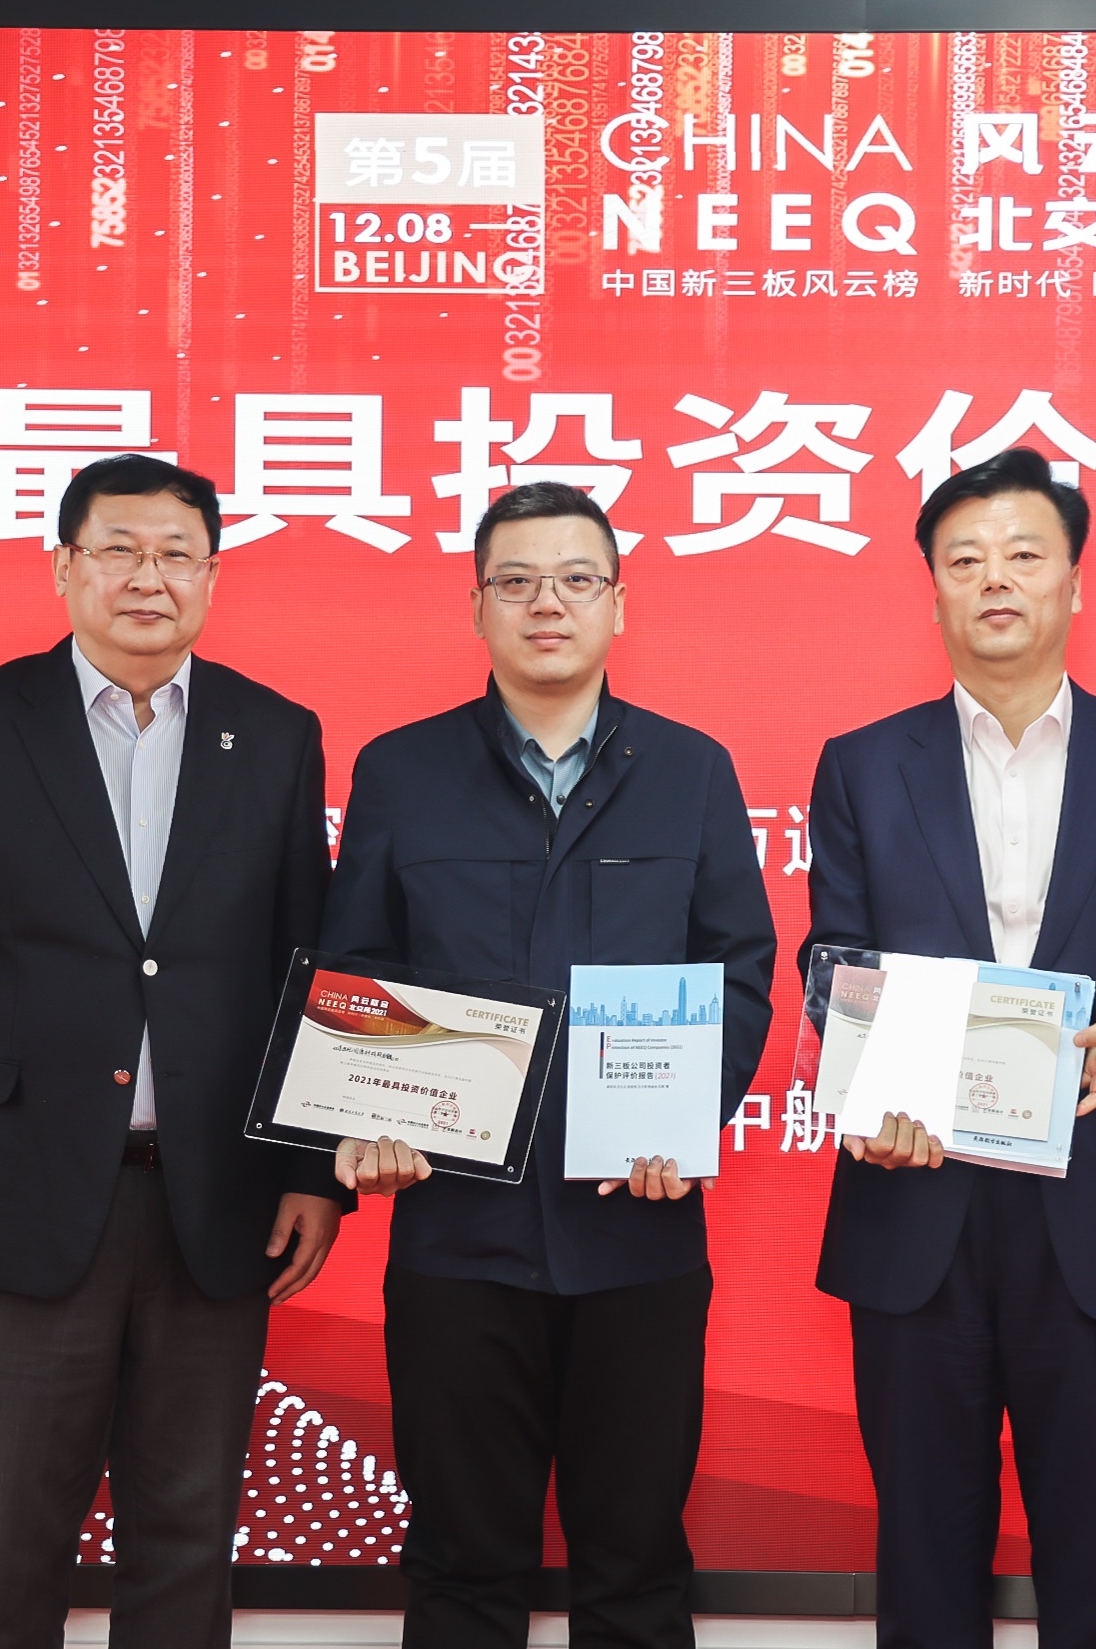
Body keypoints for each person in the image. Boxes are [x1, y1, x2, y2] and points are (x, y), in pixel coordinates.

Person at [0, 453, 358, 1649]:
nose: (148, 577)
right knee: (14, 1535)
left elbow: (305, 971)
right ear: (64, 567)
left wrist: (308, 1169)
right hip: (15, 1194)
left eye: (177, 554)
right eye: (119, 549)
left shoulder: (274, 734)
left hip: (214, 1200)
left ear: (212, 577)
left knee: (187, 1534)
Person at [317, 480, 777, 1649]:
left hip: (638, 1235)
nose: (546, 604)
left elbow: (736, 970)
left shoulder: (691, 769)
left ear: (620, 603)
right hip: (457, 1238)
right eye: (514, 581)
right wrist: (368, 1117)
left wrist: (683, 1115)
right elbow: (357, 967)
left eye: (577, 579)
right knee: (462, 1567)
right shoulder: (401, 770)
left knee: (634, 1567)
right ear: (474, 606)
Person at [801, 448, 1096, 1649]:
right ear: (933, 593)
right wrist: (869, 1082)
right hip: (912, 1194)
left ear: (1073, 583)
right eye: (964, 559)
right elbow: (833, 954)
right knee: (923, 1550)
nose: (994, 578)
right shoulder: (861, 762)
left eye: (1022, 554)